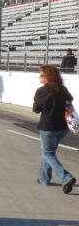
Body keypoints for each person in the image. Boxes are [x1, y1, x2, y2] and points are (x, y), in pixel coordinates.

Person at [33, 65, 76, 194]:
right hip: (62, 128)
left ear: (48, 77)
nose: (39, 77)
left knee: (47, 153)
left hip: (48, 128)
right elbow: (70, 99)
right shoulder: (63, 89)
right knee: (48, 153)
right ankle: (44, 178)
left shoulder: (42, 91)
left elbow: (36, 109)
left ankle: (66, 177)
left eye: (41, 75)